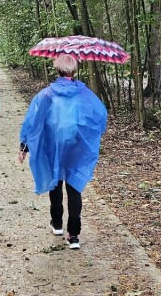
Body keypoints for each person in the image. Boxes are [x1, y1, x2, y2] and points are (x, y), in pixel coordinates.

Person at [18, 53, 107, 248]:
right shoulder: (84, 93)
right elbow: (100, 114)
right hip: (76, 146)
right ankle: (73, 235)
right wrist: (91, 134)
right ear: (74, 70)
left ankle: (57, 223)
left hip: (52, 145)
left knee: (55, 181)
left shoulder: (47, 94)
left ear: (57, 69)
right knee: (74, 185)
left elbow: (34, 121)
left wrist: (24, 145)